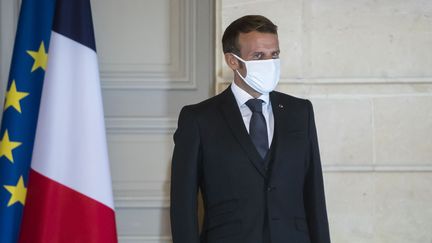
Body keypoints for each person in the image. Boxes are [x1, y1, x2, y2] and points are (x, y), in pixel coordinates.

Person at [170, 15, 331, 243]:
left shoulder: (300, 112)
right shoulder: (199, 119)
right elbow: (183, 204)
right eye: (258, 56)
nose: (269, 63)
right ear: (233, 61)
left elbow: (314, 193)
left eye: (274, 54)